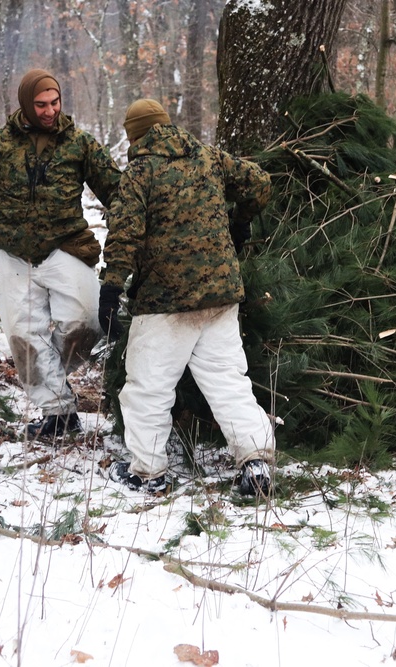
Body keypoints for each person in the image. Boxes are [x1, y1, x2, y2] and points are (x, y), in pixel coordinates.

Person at [0, 68, 121, 440]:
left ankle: (50, 380)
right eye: (41, 104)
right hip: (14, 254)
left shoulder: (80, 143)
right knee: (24, 337)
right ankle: (59, 413)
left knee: (87, 322)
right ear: (26, 105)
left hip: (65, 245)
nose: (50, 111)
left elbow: (120, 195)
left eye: (55, 102)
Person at [98, 99, 275, 496]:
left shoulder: (140, 171)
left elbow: (124, 233)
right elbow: (260, 183)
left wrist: (110, 289)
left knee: (147, 388)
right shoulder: (209, 157)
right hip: (220, 293)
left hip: (167, 300)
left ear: (135, 136)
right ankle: (257, 463)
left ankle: (147, 472)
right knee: (228, 382)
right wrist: (240, 221)